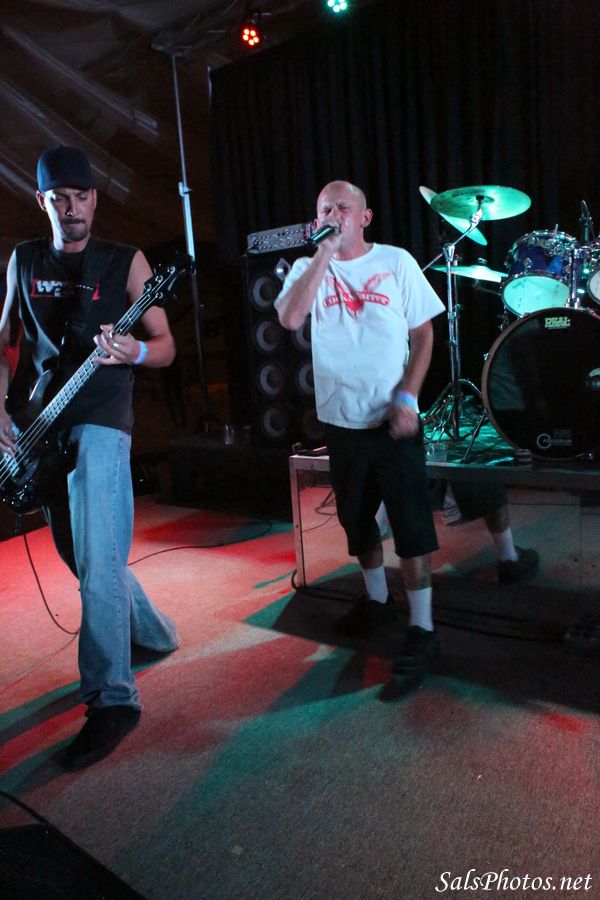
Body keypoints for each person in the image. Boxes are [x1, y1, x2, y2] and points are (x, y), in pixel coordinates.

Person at [0, 145, 180, 769]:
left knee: (101, 559)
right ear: (43, 200)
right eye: (60, 199)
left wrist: (134, 352)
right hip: (41, 424)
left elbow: (165, 345)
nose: (72, 209)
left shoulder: (125, 261)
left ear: (95, 200)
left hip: (104, 418)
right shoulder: (24, 261)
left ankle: (113, 699)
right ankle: (154, 634)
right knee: (83, 558)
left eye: (81, 197)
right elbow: (6, 343)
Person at [276, 180, 446, 693]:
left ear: (365, 216)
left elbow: (423, 333)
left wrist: (408, 395)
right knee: (356, 523)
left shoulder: (396, 262)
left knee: (411, 528)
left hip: (392, 421)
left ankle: (422, 629)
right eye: (325, 209)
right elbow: (290, 317)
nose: (334, 215)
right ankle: (377, 600)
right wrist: (323, 254)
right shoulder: (310, 267)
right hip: (341, 423)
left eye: (343, 208)